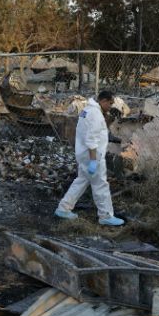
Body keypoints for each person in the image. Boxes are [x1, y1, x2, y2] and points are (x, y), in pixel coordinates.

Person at [54, 91, 124, 226]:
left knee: (81, 181)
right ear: (103, 101)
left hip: (83, 154)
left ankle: (63, 208)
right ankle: (105, 216)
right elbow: (91, 140)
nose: (110, 107)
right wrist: (93, 161)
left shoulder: (87, 110)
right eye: (109, 103)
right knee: (101, 185)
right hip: (93, 156)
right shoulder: (96, 115)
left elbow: (89, 132)